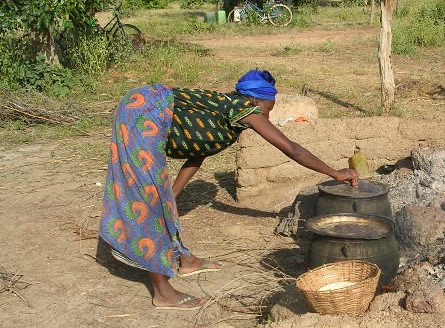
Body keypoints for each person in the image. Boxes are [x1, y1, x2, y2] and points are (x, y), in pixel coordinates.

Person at [98, 70, 359, 310]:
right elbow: (291, 149)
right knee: (148, 198)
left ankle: (185, 261)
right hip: (143, 110)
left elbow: (197, 153)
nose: (268, 115)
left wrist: (174, 195)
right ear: (257, 100)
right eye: (269, 107)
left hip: (149, 105)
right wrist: (335, 173)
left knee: (161, 199)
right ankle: (162, 291)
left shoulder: (225, 114)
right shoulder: (244, 110)